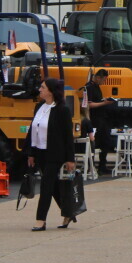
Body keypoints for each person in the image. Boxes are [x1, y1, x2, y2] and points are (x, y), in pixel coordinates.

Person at [23, 77, 77, 230]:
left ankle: (40, 220)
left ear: (51, 92)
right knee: (52, 187)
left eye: (43, 87)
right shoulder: (39, 106)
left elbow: (68, 136)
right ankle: (69, 213)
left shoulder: (62, 110)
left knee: (46, 186)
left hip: (55, 154)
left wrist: (70, 159)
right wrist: (31, 153)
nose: (40, 89)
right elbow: (34, 131)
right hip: (39, 152)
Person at [84, 68, 116, 174]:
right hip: (94, 119)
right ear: (98, 77)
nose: (104, 82)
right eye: (103, 80)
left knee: (106, 142)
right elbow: (89, 104)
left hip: (102, 118)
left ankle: (102, 165)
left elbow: (97, 100)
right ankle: (90, 165)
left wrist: (104, 100)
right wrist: (104, 103)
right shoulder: (89, 87)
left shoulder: (97, 87)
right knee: (94, 143)